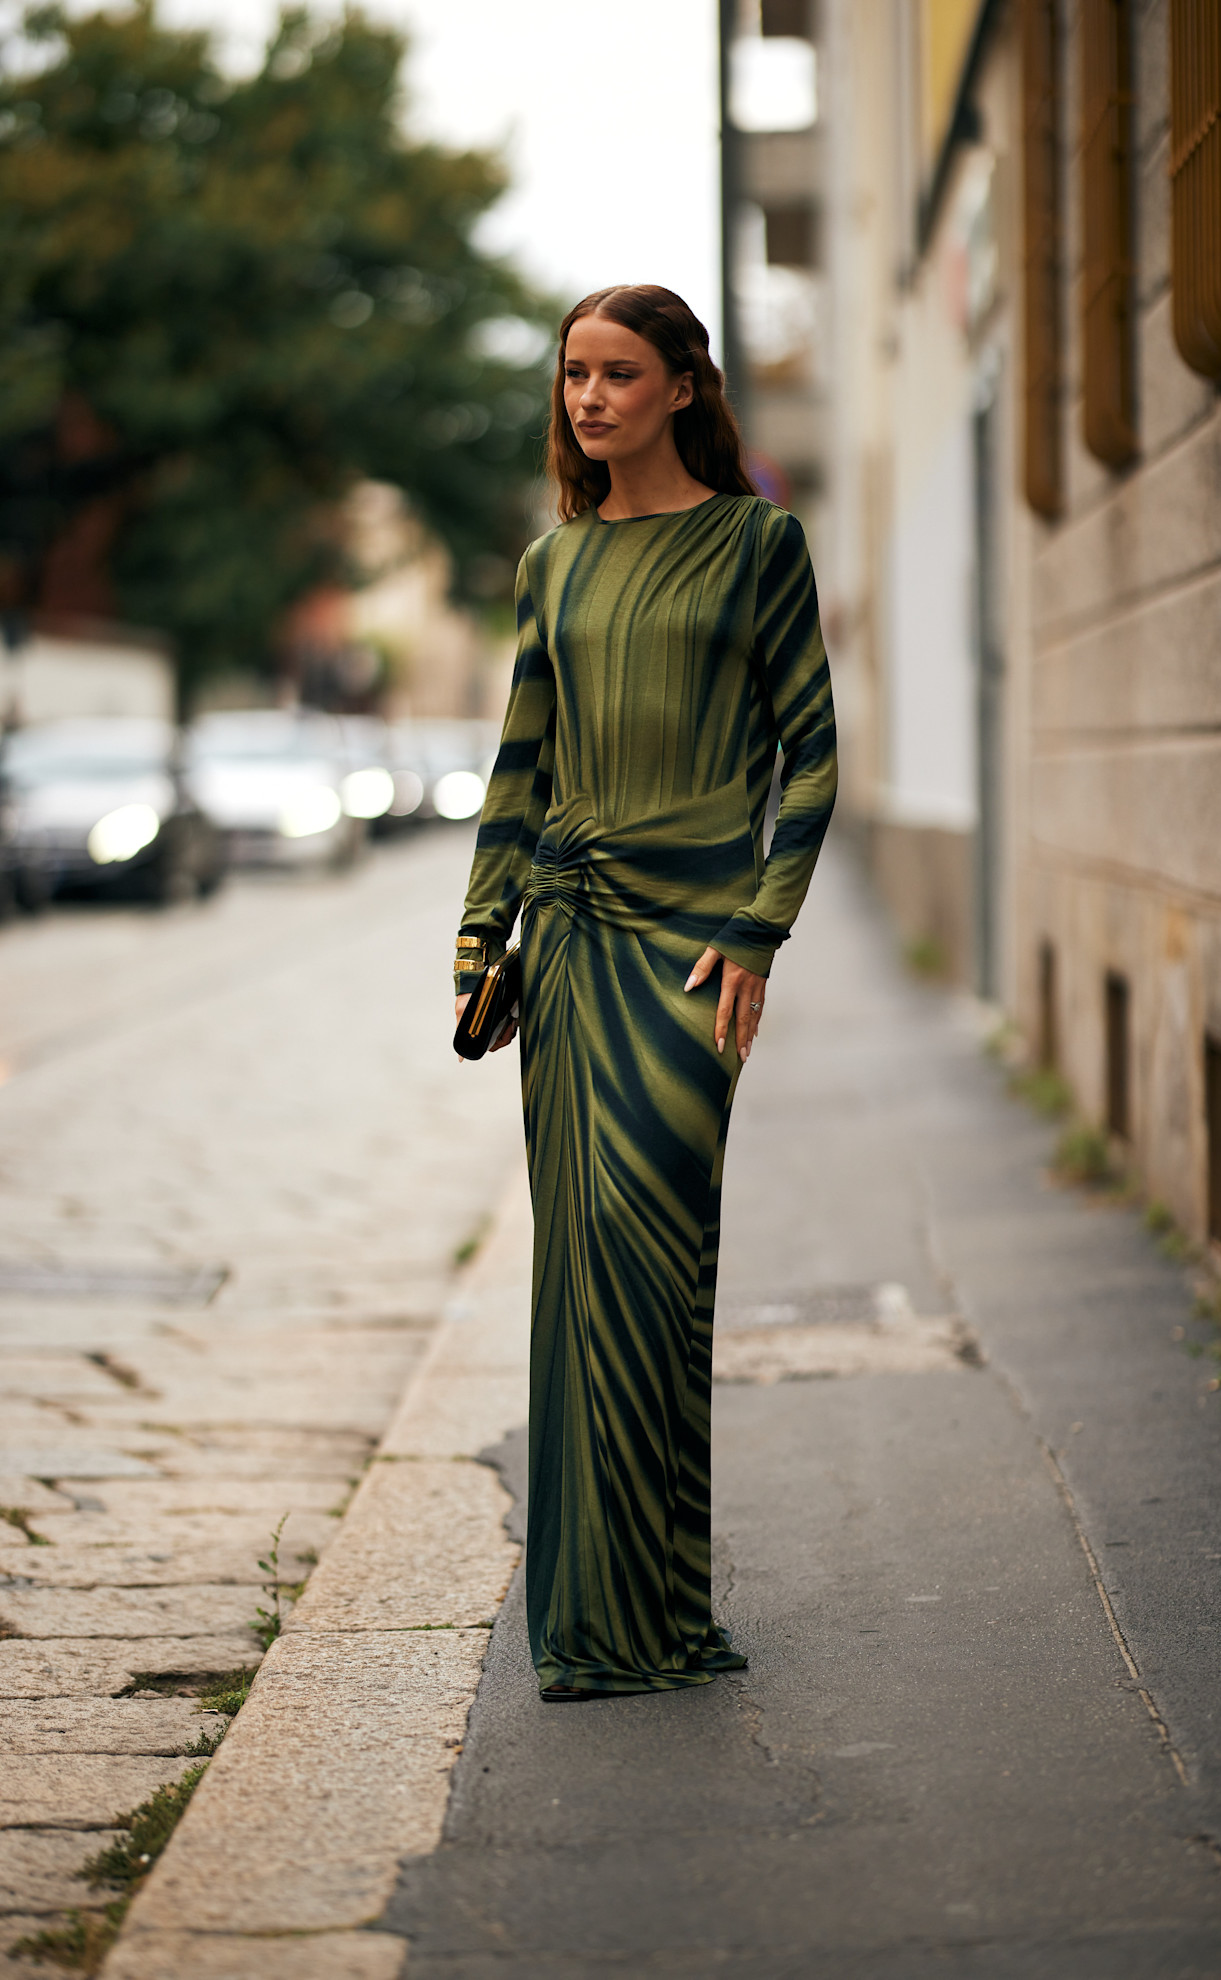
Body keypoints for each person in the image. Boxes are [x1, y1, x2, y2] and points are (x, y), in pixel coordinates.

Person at [453, 284, 836, 1701]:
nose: (589, 399)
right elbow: (518, 771)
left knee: (651, 1258)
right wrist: (478, 943)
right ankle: (614, 1622)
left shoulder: (755, 546)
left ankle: (653, 1608)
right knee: (582, 1268)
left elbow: (812, 753)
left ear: (684, 386)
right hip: (563, 945)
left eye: (618, 374)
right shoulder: (552, 565)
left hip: (690, 952)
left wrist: (758, 932)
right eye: (572, 378)